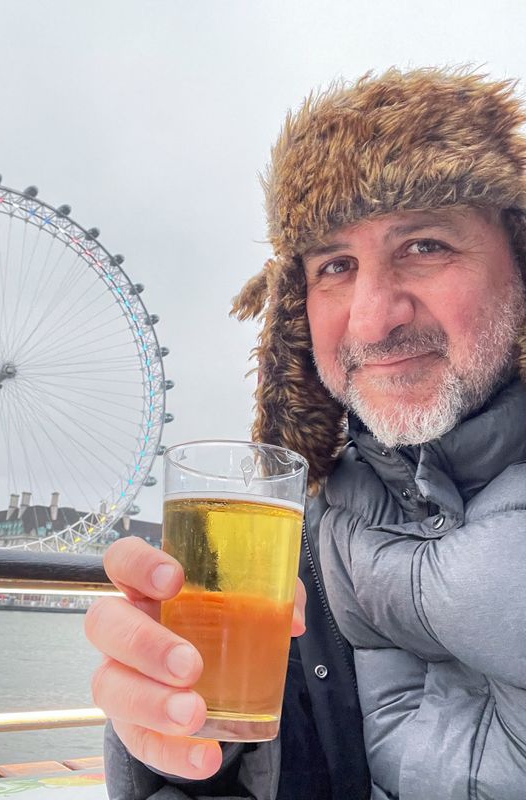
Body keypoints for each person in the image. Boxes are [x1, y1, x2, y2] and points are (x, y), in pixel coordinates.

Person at [85, 67, 526, 800]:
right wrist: (185, 751)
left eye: (424, 246)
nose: (372, 318)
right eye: (336, 265)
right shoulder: (297, 565)